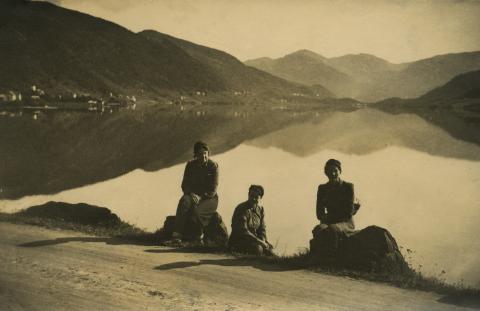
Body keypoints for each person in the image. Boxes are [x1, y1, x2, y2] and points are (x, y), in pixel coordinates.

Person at [171, 141, 219, 243]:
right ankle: (177, 235)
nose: (203, 156)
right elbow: (184, 184)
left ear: (208, 154)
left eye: (205, 153)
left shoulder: (213, 166)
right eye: (200, 154)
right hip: (191, 194)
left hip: (209, 198)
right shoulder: (190, 165)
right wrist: (191, 194)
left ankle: (198, 236)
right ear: (196, 155)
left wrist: (201, 197)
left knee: (198, 210)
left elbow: (213, 189)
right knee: (184, 202)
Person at [313, 159, 360, 255]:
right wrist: (327, 219)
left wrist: (329, 218)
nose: (333, 173)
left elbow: (348, 213)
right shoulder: (322, 188)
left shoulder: (348, 187)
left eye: (335, 170)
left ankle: (333, 259)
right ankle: (319, 258)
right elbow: (319, 213)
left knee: (331, 230)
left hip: (346, 222)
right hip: (329, 221)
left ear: (340, 171)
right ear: (326, 173)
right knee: (318, 229)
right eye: (329, 171)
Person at [229, 185, 274, 256]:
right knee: (258, 249)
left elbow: (262, 229)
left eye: (256, 197)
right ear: (248, 195)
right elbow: (243, 231)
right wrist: (260, 242)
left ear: (260, 198)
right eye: (251, 196)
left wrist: (264, 240)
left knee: (270, 249)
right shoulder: (241, 208)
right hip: (240, 241)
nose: (253, 199)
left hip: (255, 241)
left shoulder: (260, 210)